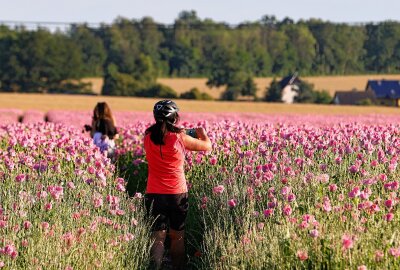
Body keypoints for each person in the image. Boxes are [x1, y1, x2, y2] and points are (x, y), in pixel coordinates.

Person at [144, 100, 212, 270]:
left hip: (153, 193)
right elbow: (207, 146)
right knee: (177, 236)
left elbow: (162, 134)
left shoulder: (147, 136)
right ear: (175, 117)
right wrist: (201, 133)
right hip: (177, 194)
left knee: (158, 237)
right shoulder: (180, 137)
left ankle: (155, 267)